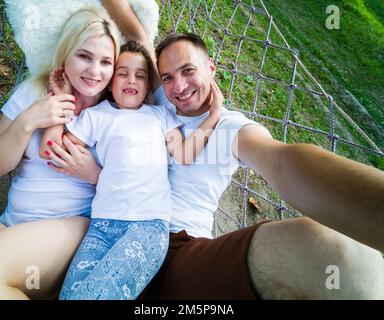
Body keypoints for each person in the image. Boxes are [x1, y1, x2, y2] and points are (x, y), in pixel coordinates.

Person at [103, 30, 382, 299]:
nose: (179, 86)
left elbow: (282, 163)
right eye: (168, 77)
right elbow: (138, 35)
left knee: (335, 253)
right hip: (115, 217)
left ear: (211, 68)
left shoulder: (229, 128)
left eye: (189, 71)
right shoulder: (162, 100)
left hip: (176, 246)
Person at [0, 3, 150, 299]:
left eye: (105, 62)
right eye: (84, 57)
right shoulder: (33, 92)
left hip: (68, 234)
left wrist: (94, 174)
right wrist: (28, 121)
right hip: (12, 226)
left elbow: (135, 191)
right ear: (66, 55)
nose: (94, 72)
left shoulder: (117, 114)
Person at [54, 40, 221, 300]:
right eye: (123, 73)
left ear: (147, 86)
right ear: (110, 81)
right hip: (101, 224)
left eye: (140, 76)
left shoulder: (159, 116)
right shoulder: (97, 116)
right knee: (71, 295)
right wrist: (64, 99)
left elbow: (185, 154)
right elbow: (64, 145)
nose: (131, 80)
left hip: (148, 227)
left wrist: (213, 116)